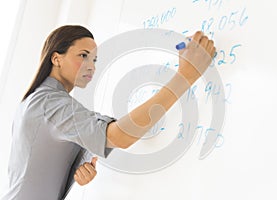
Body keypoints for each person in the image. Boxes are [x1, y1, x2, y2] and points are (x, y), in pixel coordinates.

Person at [1, 25, 215, 200]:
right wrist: (187, 75)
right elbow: (120, 136)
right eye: (83, 56)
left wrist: (75, 169)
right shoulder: (48, 102)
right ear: (56, 58)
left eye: (94, 60)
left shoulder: (42, 100)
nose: (91, 67)